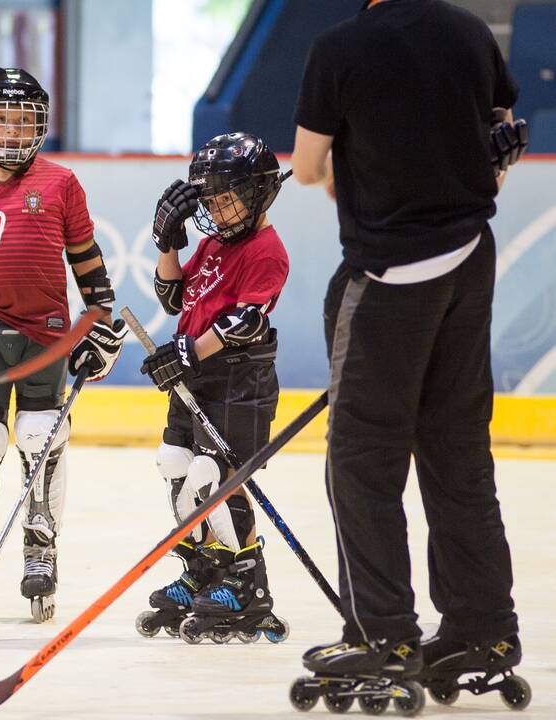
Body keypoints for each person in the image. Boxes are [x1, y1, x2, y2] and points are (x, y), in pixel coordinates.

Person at [290, 0, 527, 695]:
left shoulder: (339, 47)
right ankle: (482, 628)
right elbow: (500, 138)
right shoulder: (470, 32)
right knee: (455, 453)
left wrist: (346, 172)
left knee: (360, 461)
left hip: (389, 272)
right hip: (467, 258)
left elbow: (305, 168)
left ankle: (381, 635)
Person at [0, 67, 126, 624]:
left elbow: (87, 261)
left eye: (24, 123)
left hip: (48, 334)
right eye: (2, 121)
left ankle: (40, 549)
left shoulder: (62, 184)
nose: (13, 133)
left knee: (42, 433)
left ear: (40, 126)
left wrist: (100, 325)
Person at [137, 132, 290, 644]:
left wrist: (186, 353)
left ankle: (247, 579)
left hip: (238, 380)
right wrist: (167, 242)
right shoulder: (208, 244)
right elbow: (171, 297)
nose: (219, 211)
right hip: (196, 378)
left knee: (215, 476)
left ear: (260, 194)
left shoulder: (266, 250)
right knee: (175, 467)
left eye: (229, 199)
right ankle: (204, 564)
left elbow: (246, 321)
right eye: (211, 201)